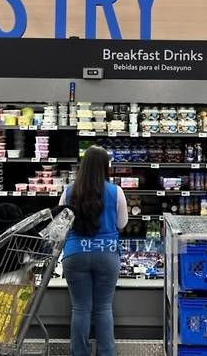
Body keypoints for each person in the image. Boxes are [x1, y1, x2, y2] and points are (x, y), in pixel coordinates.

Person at [59, 145, 128, 356]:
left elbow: (61, 225)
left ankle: (79, 352)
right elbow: (122, 224)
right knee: (103, 308)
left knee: (80, 308)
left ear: (83, 166)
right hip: (107, 253)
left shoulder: (68, 191)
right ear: (105, 167)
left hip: (75, 253)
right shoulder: (116, 191)